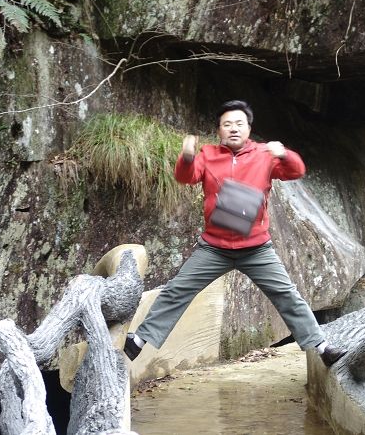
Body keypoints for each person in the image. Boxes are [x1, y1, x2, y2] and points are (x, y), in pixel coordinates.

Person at [123, 100, 346, 367]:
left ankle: (322, 348)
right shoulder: (208, 154)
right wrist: (187, 156)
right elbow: (186, 177)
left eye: (239, 124)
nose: (233, 129)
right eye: (227, 124)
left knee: (287, 294)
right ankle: (139, 340)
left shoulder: (264, 154)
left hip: (256, 249)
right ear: (219, 130)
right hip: (214, 248)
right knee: (177, 289)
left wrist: (284, 154)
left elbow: (296, 171)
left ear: (249, 128)